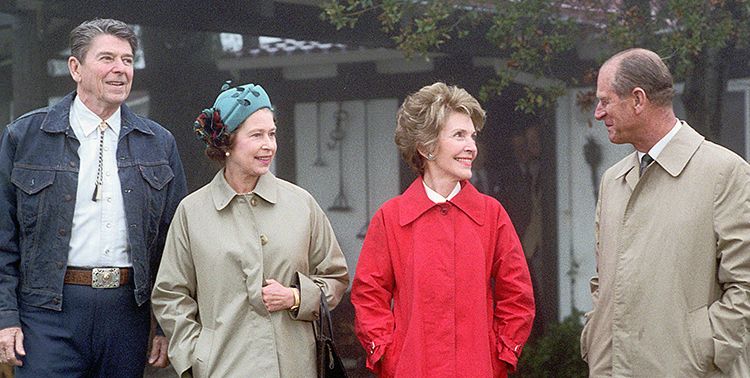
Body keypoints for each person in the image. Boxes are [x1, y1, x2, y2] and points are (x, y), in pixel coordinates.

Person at [0, 18, 187, 376]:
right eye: (107, 58)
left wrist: (164, 324)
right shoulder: (25, 137)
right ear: (75, 67)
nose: (120, 70)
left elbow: (173, 245)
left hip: (127, 315)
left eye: (128, 60)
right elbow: (2, 237)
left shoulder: (159, 143)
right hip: (46, 313)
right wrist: (5, 315)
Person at [151, 82, 349, 377]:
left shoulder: (300, 204)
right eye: (256, 135)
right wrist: (195, 359)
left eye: (272, 134)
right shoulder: (192, 212)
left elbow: (335, 278)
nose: (268, 144)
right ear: (227, 143)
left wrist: (296, 297)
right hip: (221, 369)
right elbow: (170, 295)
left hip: (296, 367)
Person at [581, 47, 750, 376]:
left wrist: (703, 349)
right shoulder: (612, 181)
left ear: (638, 100)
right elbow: (604, 282)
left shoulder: (725, 172)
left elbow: (745, 286)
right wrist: (596, 334)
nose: (599, 113)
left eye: (605, 100)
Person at [351, 82, 535, 377]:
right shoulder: (391, 217)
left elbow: (517, 297)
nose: (472, 147)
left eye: (472, 136)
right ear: (425, 146)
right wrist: (389, 355)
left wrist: (499, 356)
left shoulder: (492, 215)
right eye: (459, 135)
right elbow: (368, 295)